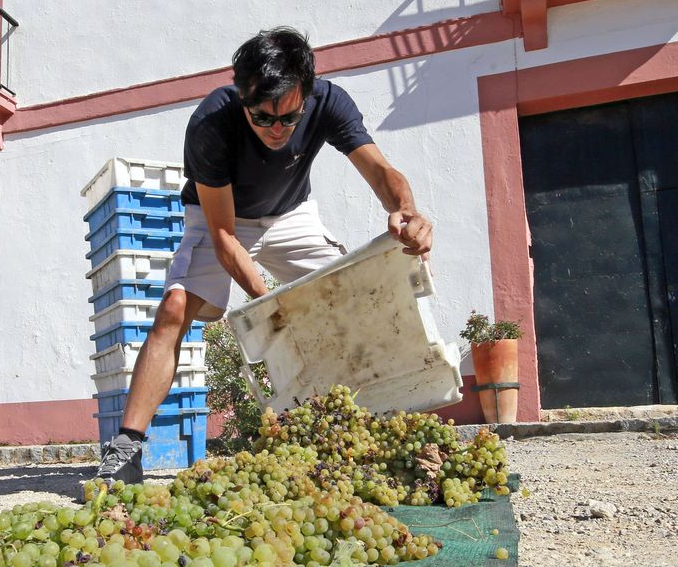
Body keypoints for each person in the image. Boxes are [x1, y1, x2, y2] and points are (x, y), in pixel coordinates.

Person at [92, 26, 435, 484]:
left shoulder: (330, 102)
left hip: (292, 216)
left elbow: (380, 171)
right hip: (222, 221)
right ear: (241, 95)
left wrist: (406, 211)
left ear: (307, 96)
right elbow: (223, 234)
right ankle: (126, 450)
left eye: (289, 119)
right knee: (173, 310)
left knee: (352, 299)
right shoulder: (211, 124)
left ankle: (372, 430)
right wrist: (273, 302)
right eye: (261, 118)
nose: (276, 130)